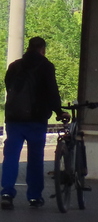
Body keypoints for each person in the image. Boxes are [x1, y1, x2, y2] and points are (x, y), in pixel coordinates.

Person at [2, 36, 67, 209]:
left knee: (11, 156)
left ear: (28, 48)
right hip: (36, 120)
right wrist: (58, 111)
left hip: (14, 118)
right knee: (35, 159)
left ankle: (7, 193)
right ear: (42, 49)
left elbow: (9, 86)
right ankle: (34, 197)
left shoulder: (14, 66)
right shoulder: (46, 66)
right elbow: (52, 91)